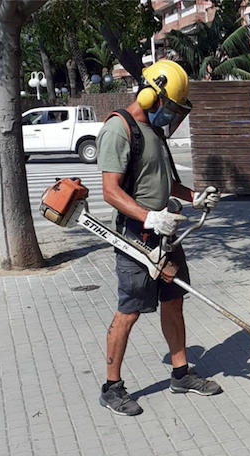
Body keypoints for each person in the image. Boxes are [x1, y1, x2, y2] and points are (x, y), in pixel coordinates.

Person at [96, 60, 221, 416]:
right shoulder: (119, 129)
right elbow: (110, 191)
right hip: (136, 237)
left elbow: (165, 182)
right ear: (152, 95)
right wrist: (150, 217)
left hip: (168, 234)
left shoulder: (154, 132)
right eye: (173, 107)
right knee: (130, 310)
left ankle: (181, 374)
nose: (173, 116)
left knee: (174, 299)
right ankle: (112, 387)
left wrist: (194, 197)